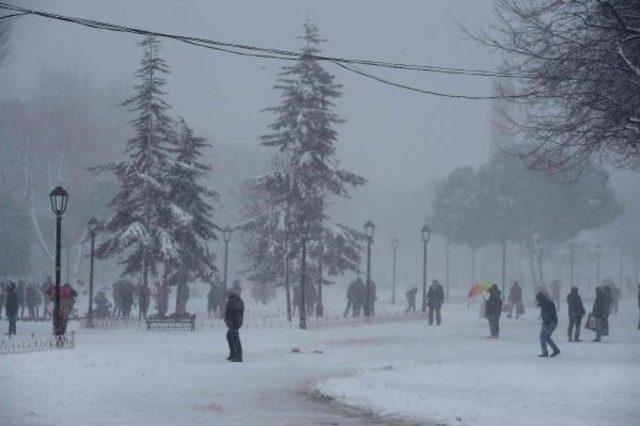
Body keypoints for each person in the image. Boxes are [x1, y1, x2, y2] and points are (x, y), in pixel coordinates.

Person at [536, 292, 561, 357]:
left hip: (550, 323)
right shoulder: (545, 303)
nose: (537, 301)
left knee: (543, 337)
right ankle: (555, 350)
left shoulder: (546, 304)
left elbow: (549, 313)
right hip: (549, 322)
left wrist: (547, 321)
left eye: (538, 300)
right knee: (546, 337)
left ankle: (546, 352)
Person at [224, 288, 244, 362]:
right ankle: (233, 353)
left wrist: (233, 322)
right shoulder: (231, 301)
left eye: (227, 294)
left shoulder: (236, 300)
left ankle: (238, 355)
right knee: (229, 336)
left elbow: (236, 312)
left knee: (235, 338)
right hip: (232, 323)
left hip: (235, 323)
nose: (226, 296)